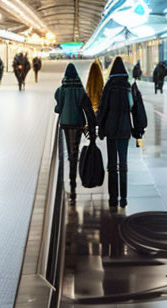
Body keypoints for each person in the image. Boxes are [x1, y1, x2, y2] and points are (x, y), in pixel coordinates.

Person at [54, 62, 96, 204]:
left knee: (70, 151)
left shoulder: (61, 90)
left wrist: (61, 106)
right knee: (74, 151)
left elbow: (58, 108)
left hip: (66, 124)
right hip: (78, 124)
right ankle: (73, 184)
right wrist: (93, 126)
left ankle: (71, 183)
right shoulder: (80, 90)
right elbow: (88, 109)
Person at [97, 56, 134, 209]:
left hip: (111, 130)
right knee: (123, 164)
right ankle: (124, 198)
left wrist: (100, 127)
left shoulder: (108, 87)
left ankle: (113, 198)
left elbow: (103, 109)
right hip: (125, 130)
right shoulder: (128, 87)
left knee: (112, 165)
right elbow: (133, 107)